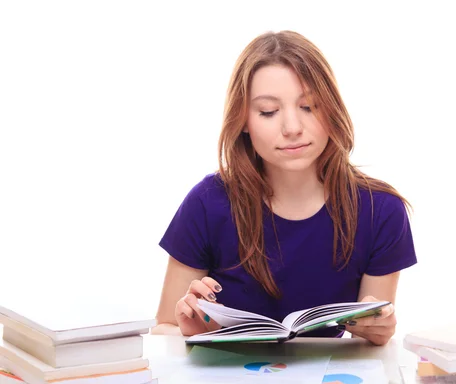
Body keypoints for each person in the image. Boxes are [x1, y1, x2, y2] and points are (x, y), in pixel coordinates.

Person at [151, 30, 417, 346]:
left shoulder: (380, 210)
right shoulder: (208, 202)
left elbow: (371, 333)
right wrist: (192, 332)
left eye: (310, 106)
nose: (292, 128)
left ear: (332, 109)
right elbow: (163, 329)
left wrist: (379, 330)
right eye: (268, 111)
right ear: (243, 120)